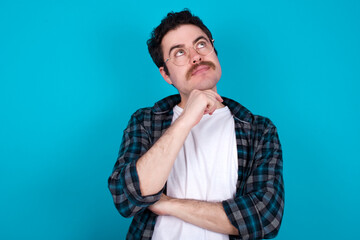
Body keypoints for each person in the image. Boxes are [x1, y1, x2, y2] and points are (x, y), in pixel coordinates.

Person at [108, 9, 284, 240]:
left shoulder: (259, 130)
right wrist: (187, 119)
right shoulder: (145, 122)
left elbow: (265, 217)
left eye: (201, 44)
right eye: (179, 52)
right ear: (166, 75)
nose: (195, 56)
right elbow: (126, 198)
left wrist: (168, 205)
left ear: (214, 51)